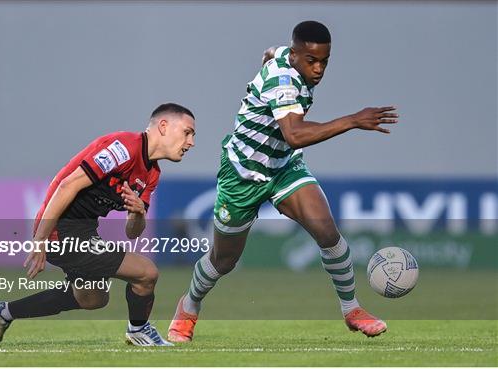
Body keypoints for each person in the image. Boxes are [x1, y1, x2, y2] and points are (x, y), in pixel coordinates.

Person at [168, 21, 397, 342]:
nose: (318, 69)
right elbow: (295, 134)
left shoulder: (287, 57)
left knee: (328, 233)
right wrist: (353, 120)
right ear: (296, 55)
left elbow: (270, 53)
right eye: (311, 61)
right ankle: (188, 306)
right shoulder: (284, 81)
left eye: (324, 62)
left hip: (284, 167)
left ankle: (352, 309)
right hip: (243, 174)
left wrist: (269, 59)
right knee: (224, 260)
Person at [0, 103, 196, 346]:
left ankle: (3, 312)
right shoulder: (123, 148)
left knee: (92, 298)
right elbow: (67, 185)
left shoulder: (151, 174)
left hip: (83, 231)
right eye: (187, 133)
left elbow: (132, 232)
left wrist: (138, 212)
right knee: (146, 273)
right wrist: (40, 240)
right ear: (164, 126)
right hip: (59, 229)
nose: (190, 142)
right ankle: (139, 330)